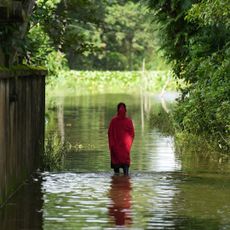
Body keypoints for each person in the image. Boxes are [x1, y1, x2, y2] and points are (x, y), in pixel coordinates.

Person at [108, 102, 135, 175]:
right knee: (126, 175)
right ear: (126, 110)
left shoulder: (113, 121)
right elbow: (132, 134)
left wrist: (112, 146)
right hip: (125, 152)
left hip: (115, 152)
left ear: (117, 111)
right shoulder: (129, 121)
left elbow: (110, 134)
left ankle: (117, 184)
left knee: (116, 175)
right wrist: (128, 146)